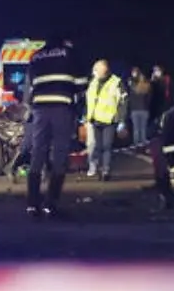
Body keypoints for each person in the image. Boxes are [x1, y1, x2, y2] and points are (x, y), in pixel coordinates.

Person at [25, 35, 82, 218]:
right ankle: (50, 203)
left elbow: (29, 86)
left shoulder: (36, 56)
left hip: (39, 108)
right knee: (60, 153)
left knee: (38, 152)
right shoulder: (69, 53)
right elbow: (81, 83)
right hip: (61, 107)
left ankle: (32, 203)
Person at [84, 59, 127, 181]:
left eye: (96, 70)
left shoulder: (116, 82)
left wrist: (121, 120)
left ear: (104, 71)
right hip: (95, 120)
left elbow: (123, 102)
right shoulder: (93, 82)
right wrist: (86, 116)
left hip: (109, 120)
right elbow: (89, 100)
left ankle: (106, 170)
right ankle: (99, 168)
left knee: (107, 146)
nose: (94, 72)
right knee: (97, 146)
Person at [128, 67, 153, 146]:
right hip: (142, 109)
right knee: (142, 128)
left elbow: (130, 98)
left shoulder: (132, 85)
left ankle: (137, 143)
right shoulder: (146, 86)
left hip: (137, 109)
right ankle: (142, 143)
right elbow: (149, 98)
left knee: (137, 128)